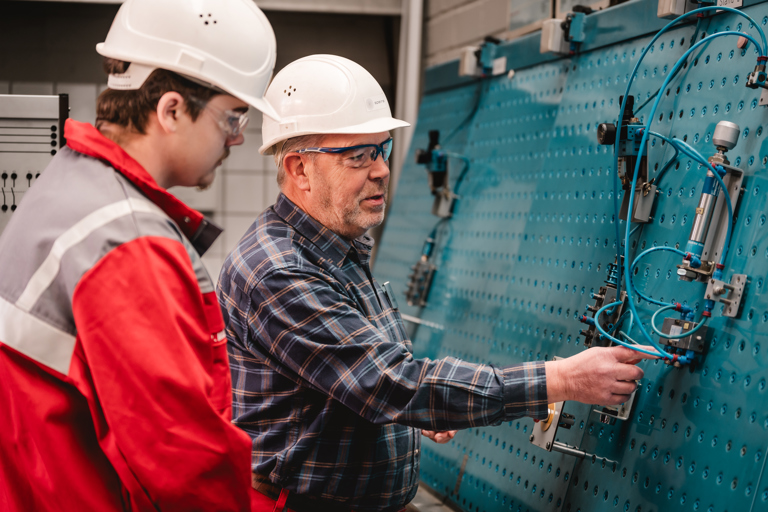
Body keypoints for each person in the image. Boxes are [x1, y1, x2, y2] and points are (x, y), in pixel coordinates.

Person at [217, 54, 653, 512]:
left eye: (381, 150)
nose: (382, 170)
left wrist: (411, 418)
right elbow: (389, 384)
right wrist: (561, 379)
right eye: (357, 156)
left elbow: (360, 380)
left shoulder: (337, 249)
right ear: (299, 169)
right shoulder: (280, 271)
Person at [0, 0, 280, 510]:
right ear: (171, 109)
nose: (239, 138)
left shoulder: (67, 183)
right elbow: (181, 464)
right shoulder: (130, 242)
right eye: (233, 116)